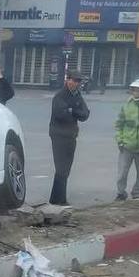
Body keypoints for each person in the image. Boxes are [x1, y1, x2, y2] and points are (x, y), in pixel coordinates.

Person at [48, 70, 90, 205]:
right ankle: (60, 200)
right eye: (75, 80)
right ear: (68, 80)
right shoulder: (60, 96)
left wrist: (72, 110)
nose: (77, 84)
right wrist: (74, 111)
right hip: (59, 136)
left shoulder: (77, 95)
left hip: (71, 136)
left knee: (66, 169)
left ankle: (56, 199)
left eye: (79, 81)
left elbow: (85, 114)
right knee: (61, 168)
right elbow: (61, 115)